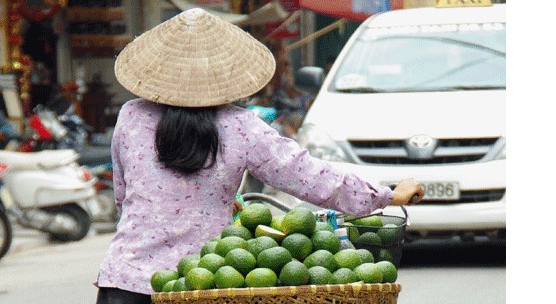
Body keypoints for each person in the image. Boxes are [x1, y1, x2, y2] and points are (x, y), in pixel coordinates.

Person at [94, 8, 424, 304]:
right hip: (203, 286)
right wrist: (387, 195)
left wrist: (211, 201)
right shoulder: (241, 126)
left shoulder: (131, 115)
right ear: (224, 72)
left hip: (125, 281)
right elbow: (307, 176)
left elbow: (127, 197)